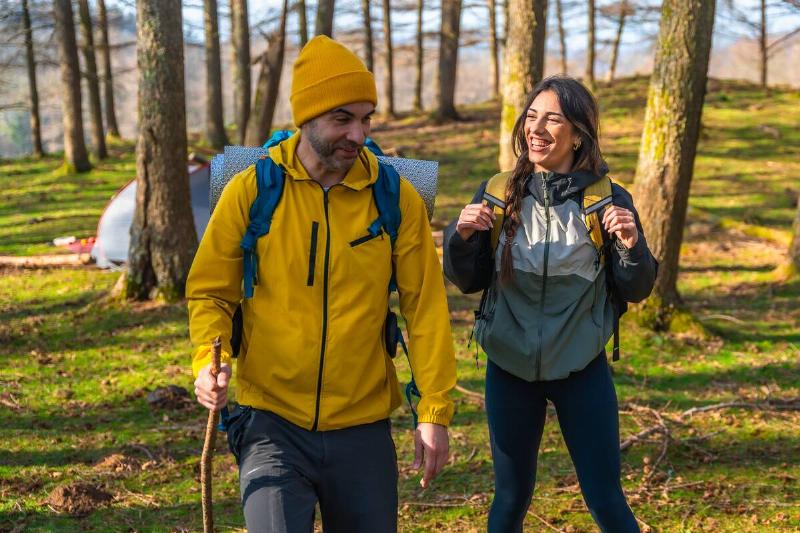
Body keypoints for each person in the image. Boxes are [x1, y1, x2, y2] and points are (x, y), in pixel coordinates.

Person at [188, 35, 456, 533]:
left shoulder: (394, 196)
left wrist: (434, 408)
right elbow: (211, 291)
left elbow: (425, 307)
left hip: (362, 427)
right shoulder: (254, 189)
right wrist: (208, 361)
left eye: (366, 118)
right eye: (342, 119)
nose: (358, 133)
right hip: (270, 422)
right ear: (306, 118)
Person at [443, 75, 657, 533]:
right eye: (531, 117)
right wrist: (459, 239)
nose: (536, 129)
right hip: (509, 366)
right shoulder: (499, 193)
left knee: (606, 501)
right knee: (509, 501)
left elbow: (637, 289)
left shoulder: (607, 200)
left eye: (552, 119)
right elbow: (467, 280)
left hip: (582, 368)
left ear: (578, 133)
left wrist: (631, 245)